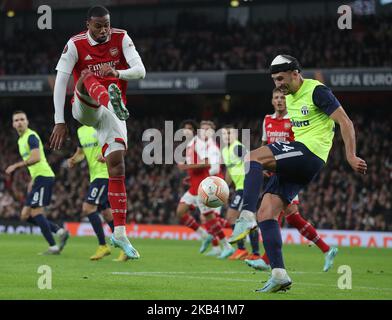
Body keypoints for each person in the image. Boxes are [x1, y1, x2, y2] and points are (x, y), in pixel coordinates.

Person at [229, 55, 367, 292]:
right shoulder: (290, 98)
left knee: (252, 157)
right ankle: (279, 274)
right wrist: (273, 163)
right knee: (268, 213)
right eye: (274, 80)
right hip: (299, 159)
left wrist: (350, 155)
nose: (278, 84)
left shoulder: (316, 91)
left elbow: (345, 122)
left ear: (295, 73)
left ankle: (246, 215)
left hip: (310, 154)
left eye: (281, 78)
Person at [50, 5, 146, 259]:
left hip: (114, 112)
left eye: (107, 24)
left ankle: (120, 233)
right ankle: (108, 98)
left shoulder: (121, 37)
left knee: (117, 166)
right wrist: (59, 120)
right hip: (84, 107)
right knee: (87, 78)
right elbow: (61, 81)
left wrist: (118, 72)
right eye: (98, 25)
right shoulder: (75, 44)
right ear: (88, 24)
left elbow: (141, 71)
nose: (104, 30)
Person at [245, 88, 337, 272]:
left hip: (289, 171)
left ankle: (267, 259)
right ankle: (327, 249)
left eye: (282, 97)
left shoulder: (294, 120)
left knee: (275, 213)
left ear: (287, 101)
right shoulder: (267, 120)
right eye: (276, 97)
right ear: (272, 101)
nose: (279, 100)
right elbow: (265, 145)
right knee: (292, 217)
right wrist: (262, 164)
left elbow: (300, 146)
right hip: (273, 170)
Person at [5, 110, 69, 255]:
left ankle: (53, 246)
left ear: (27, 122)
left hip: (44, 177)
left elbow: (36, 158)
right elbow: (34, 163)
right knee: (25, 216)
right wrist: (32, 180)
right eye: (16, 120)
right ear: (13, 124)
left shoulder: (31, 136)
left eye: (22, 119)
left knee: (35, 212)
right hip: (38, 178)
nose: (19, 122)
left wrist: (16, 165)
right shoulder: (21, 140)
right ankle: (60, 231)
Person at [67, 125, 126, 261]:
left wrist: (108, 155)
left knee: (88, 208)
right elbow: (81, 152)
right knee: (107, 213)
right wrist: (74, 159)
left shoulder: (101, 126)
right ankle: (125, 247)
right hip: (95, 176)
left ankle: (103, 245)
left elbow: (119, 145)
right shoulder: (80, 130)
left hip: (104, 174)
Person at [177, 120, 235, 259]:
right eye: (185, 129)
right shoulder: (191, 144)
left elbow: (208, 163)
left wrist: (187, 167)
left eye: (190, 129)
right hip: (194, 185)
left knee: (208, 217)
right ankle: (205, 236)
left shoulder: (202, 144)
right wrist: (189, 176)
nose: (187, 132)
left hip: (202, 186)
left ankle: (226, 244)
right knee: (180, 211)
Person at [220, 125, 260, 260]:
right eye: (224, 134)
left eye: (230, 133)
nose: (227, 136)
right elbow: (230, 171)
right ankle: (254, 253)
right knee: (248, 219)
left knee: (232, 216)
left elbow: (252, 162)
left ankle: (244, 250)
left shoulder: (238, 148)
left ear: (236, 135)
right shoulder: (225, 151)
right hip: (239, 188)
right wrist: (224, 188)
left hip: (245, 187)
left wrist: (252, 184)